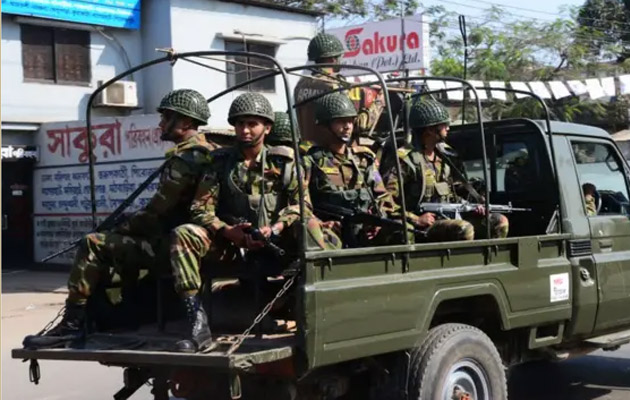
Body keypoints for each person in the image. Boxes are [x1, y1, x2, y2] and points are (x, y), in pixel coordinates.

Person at [24, 89, 224, 347]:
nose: (160, 123)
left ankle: (72, 326)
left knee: (94, 243)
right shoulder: (203, 152)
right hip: (185, 242)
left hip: (176, 245)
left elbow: (156, 213)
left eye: (167, 117)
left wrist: (122, 227)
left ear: (185, 122)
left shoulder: (189, 158)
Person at [168, 93, 340, 352]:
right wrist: (227, 231)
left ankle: (313, 314)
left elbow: (301, 205)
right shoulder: (220, 163)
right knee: (184, 234)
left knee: (310, 225)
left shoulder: (285, 162)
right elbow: (201, 209)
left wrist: (277, 227)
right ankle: (197, 324)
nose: (245, 130)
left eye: (252, 124)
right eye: (240, 124)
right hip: (232, 246)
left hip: (278, 247)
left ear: (267, 128)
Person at [384, 97, 509, 241]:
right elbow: (386, 202)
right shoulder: (405, 159)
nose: (448, 128)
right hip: (423, 223)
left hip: (449, 214)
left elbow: (454, 191)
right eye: (444, 125)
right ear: (430, 129)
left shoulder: (446, 156)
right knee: (463, 229)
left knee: (499, 222)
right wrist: (416, 219)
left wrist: (473, 205)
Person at [305, 92, 408, 247]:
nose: (347, 126)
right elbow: (301, 203)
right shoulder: (310, 160)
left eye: (350, 121)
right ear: (326, 125)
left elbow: (382, 196)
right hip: (332, 228)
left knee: (402, 231)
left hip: (363, 227)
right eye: (340, 122)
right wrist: (321, 223)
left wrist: (378, 219)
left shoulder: (363, 159)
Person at [294, 33, 383, 147]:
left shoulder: (301, 84)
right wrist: (379, 101)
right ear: (333, 59)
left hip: (306, 150)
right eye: (339, 57)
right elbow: (357, 125)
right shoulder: (334, 85)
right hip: (331, 153)